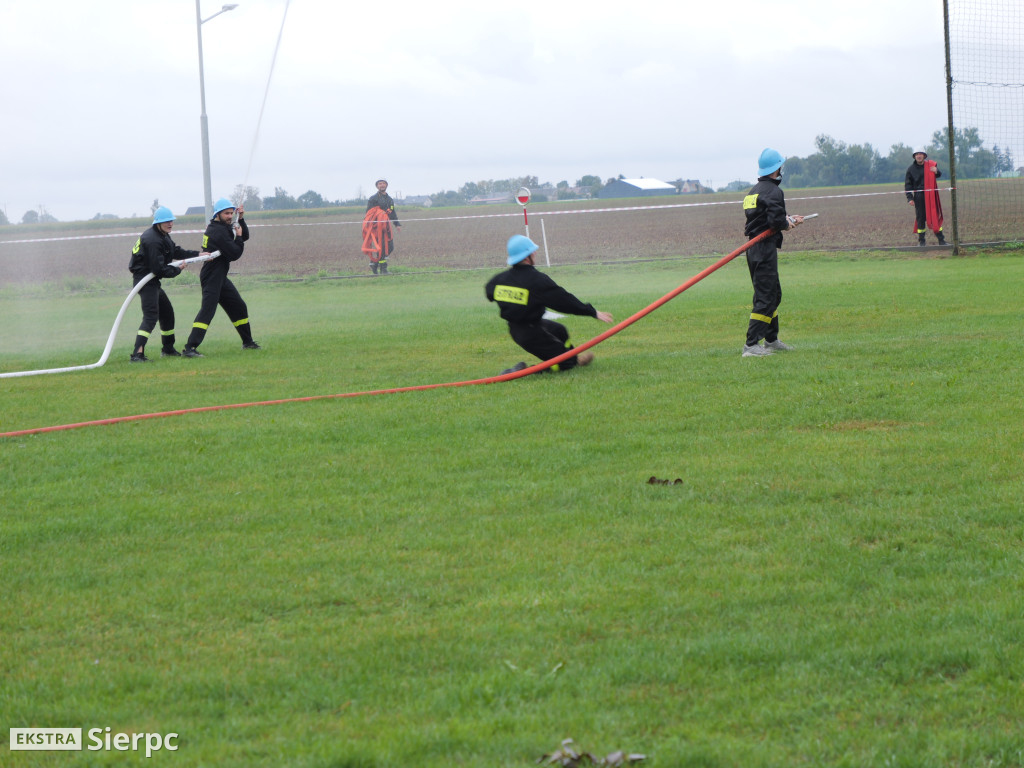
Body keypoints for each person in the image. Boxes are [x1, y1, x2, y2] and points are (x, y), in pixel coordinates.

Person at [485, 235, 613, 374]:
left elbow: (489, 293)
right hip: (530, 333)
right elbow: (563, 300)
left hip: (523, 327)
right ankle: (522, 371)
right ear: (527, 257)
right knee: (564, 365)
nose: (535, 253)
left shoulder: (499, 280)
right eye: (533, 251)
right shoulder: (536, 280)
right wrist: (591, 312)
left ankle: (574, 360)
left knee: (560, 331)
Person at [740, 148, 803, 358]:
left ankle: (771, 340)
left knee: (773, 294)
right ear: (777, 169)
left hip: (754, 249)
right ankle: (751, 345)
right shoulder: (775, 191)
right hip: (763, 249)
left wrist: (787, 219)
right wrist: (785, 223)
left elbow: (763, 218)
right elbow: (775, 221)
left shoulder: (753, 191)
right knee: (766, 297)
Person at [182, 198, 260, 358]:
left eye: (232, 213)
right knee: (207, 311)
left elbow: (244, 236)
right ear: (218, 214)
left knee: (239, 306)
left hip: (220, 277)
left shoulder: (222, 227)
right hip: (212, 277)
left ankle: (248, 342)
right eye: (227, 213)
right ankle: (190, 348)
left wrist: (242, 220)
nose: (230, 216)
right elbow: (234, 253)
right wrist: (237, 237)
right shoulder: (217, 232)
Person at [127, 206, 207, 362]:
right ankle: (137, 355)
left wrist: (198, 255)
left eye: (171, 220)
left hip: (152, 281)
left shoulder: (162, 235)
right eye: (166, 221)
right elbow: (159, 269)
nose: (170, 223)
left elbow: (175, 251)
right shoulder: (153, 240)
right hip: (145, 281)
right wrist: (179, 269)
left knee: (167, 314)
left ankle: (168, 349)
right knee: (150, 317)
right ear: (158, 223)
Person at [904, 150, 946, 246]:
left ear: (924, 156)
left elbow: (938, 174)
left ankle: (941, 240)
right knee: (920, 218)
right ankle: (922, 242)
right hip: (919, 197)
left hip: (930, 195)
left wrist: (936, 171)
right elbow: (908, 185)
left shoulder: (930, 165)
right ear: (914, 156)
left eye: (921, 154)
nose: (919, 156)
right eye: (917, 154)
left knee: (934, 216)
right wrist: (909, 198)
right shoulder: (910, 169)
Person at [363, 178, 401, 274]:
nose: (382, 185)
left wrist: (397, 224)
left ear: (386, 186)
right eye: (380, 184)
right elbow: (369, 213)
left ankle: (374, 264)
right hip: (376, 228)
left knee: (390, 247)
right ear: (377, 186)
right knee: (382, 247)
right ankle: (383, 269)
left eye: (383, 183)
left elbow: (392, 212)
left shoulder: (390, 199)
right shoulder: (373, 199)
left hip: (386, 227)